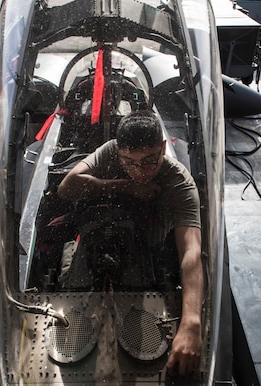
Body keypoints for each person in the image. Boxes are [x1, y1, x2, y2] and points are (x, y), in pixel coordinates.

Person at [57, 110, 204, 377]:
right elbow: (67, 187)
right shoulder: (111, 151)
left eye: (149, 161)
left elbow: (191, 252)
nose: (140, 171)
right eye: (129, 162)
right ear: (119, 151)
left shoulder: (179, 183)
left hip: (149, 250)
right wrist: (126, 187)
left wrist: (192, 323)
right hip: (101, 240)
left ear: (162, 149)